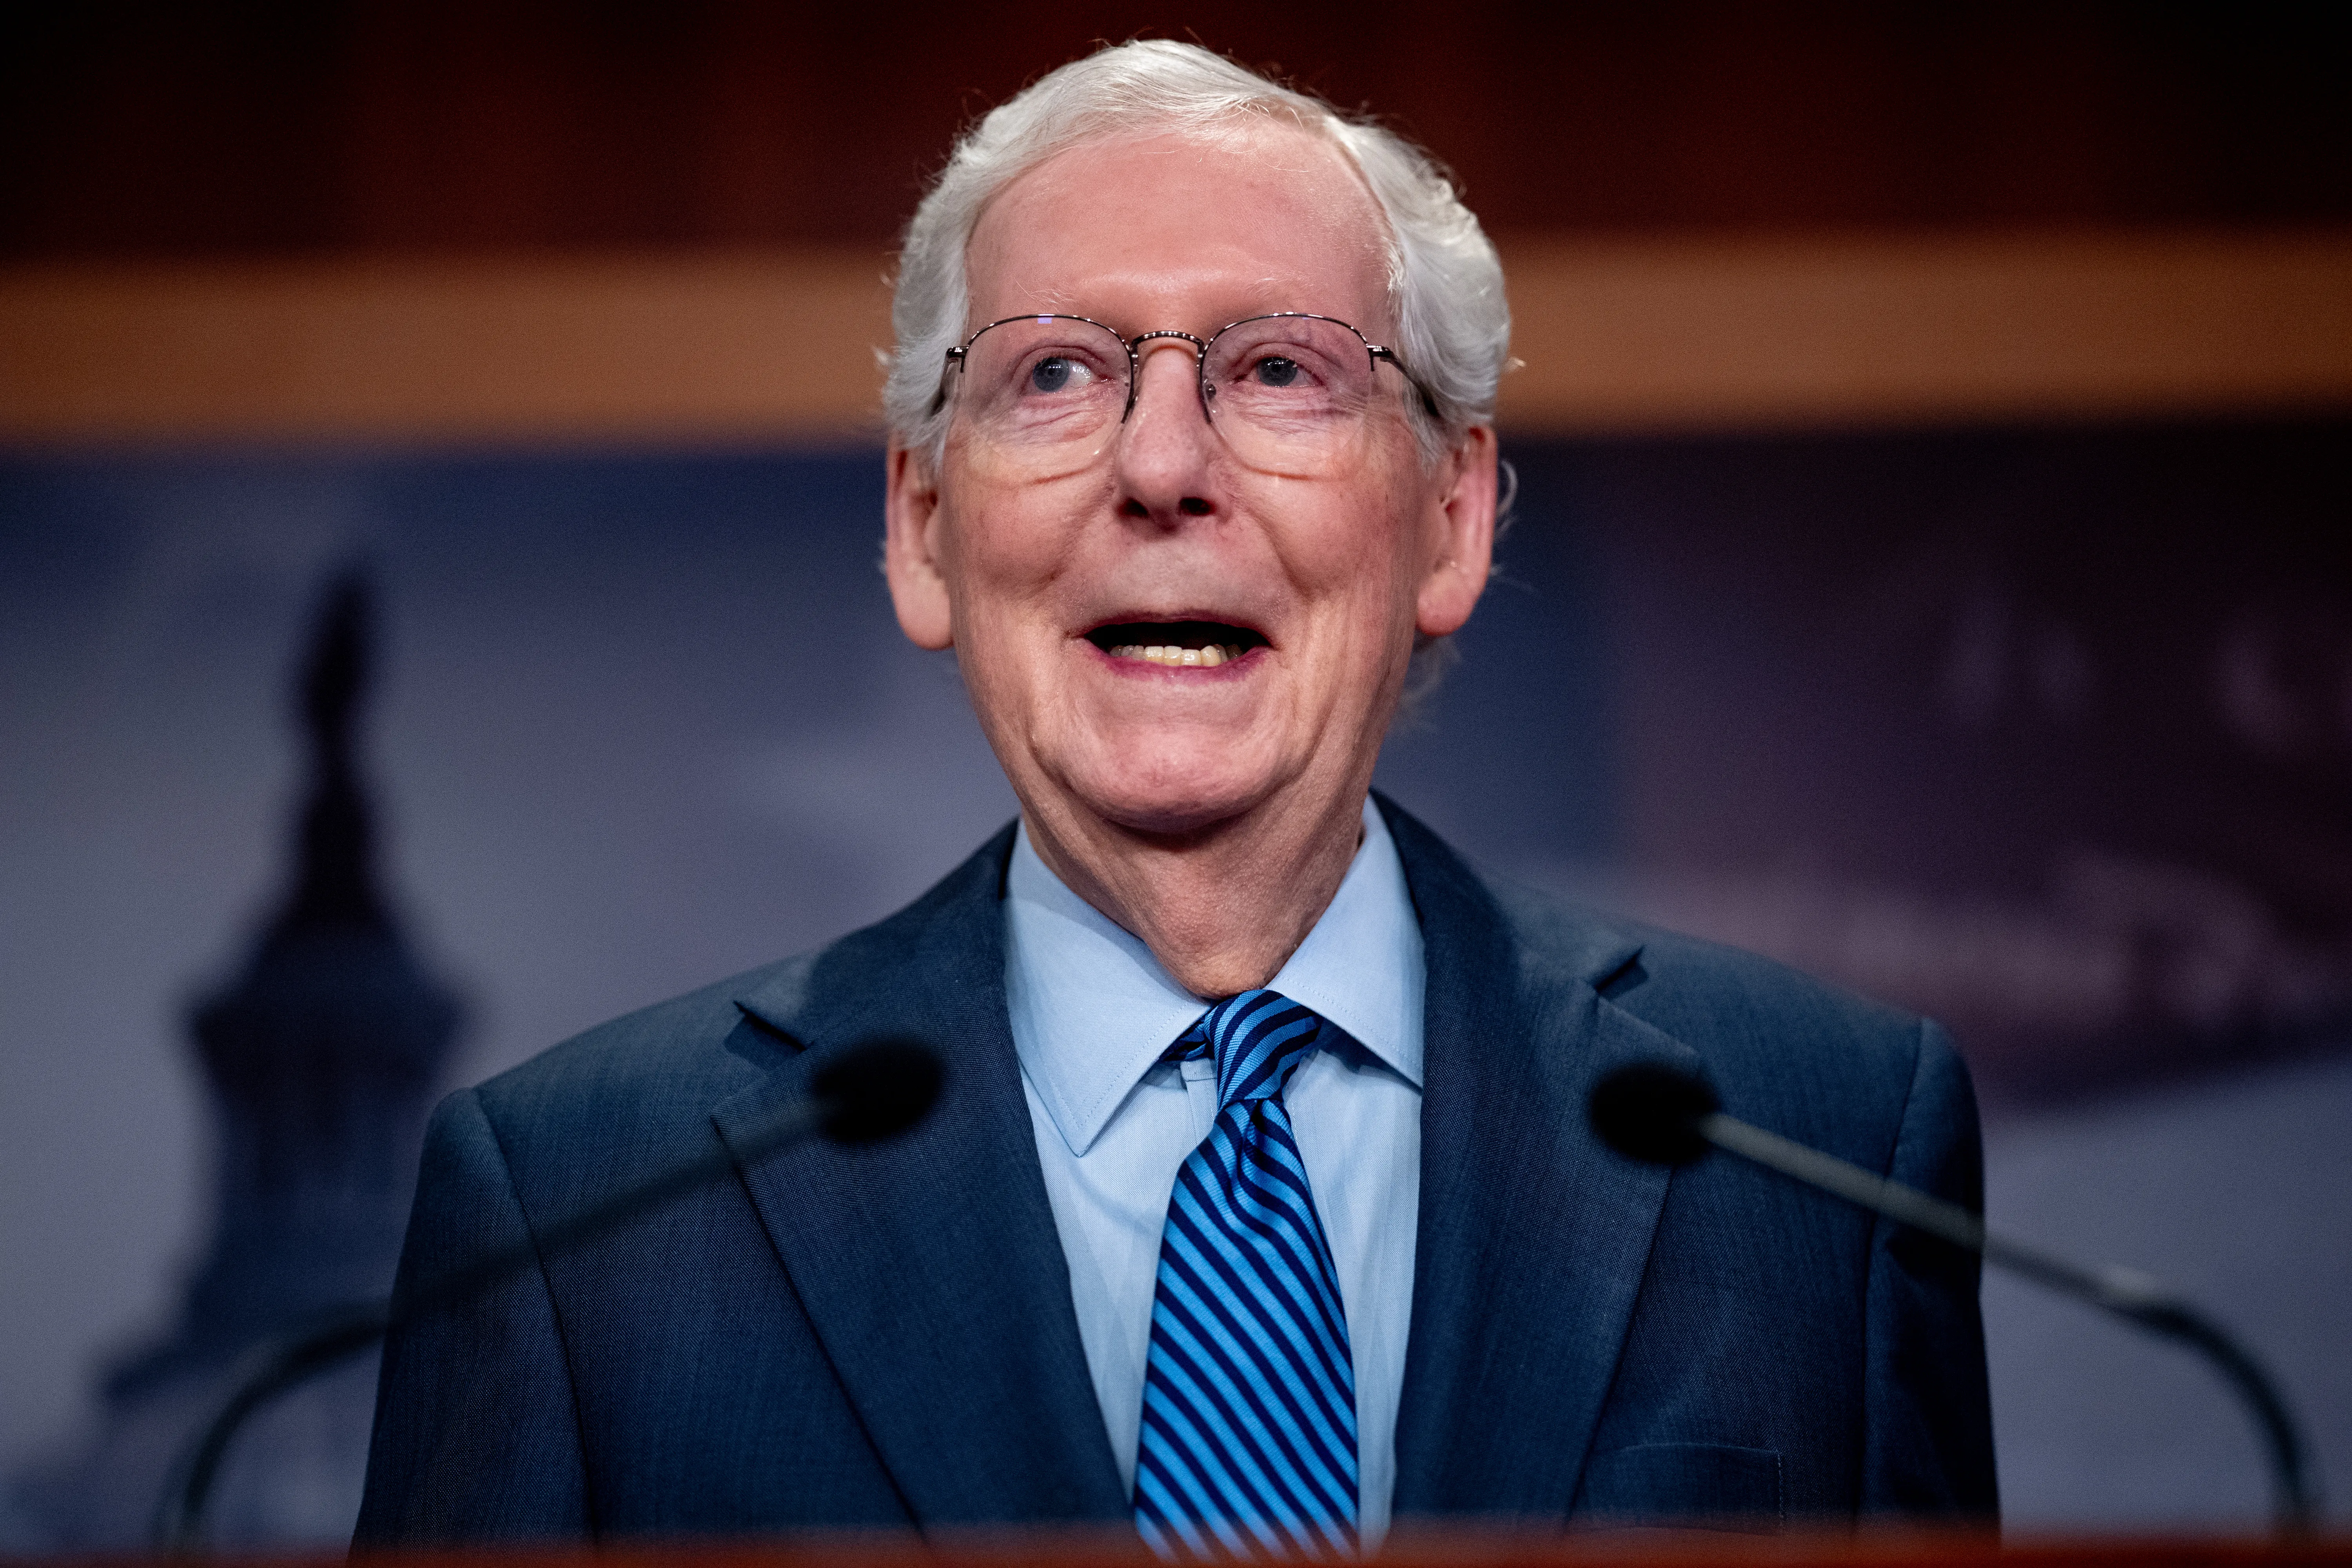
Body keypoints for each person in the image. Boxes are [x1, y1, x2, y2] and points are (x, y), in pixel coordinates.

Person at [357, 40, 1994, 1554]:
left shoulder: (1812, 1148)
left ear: (1453, 516)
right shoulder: (583, 1218)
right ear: (925, 526)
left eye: (1280, 369)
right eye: (1056, 375)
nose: (1160, 464)